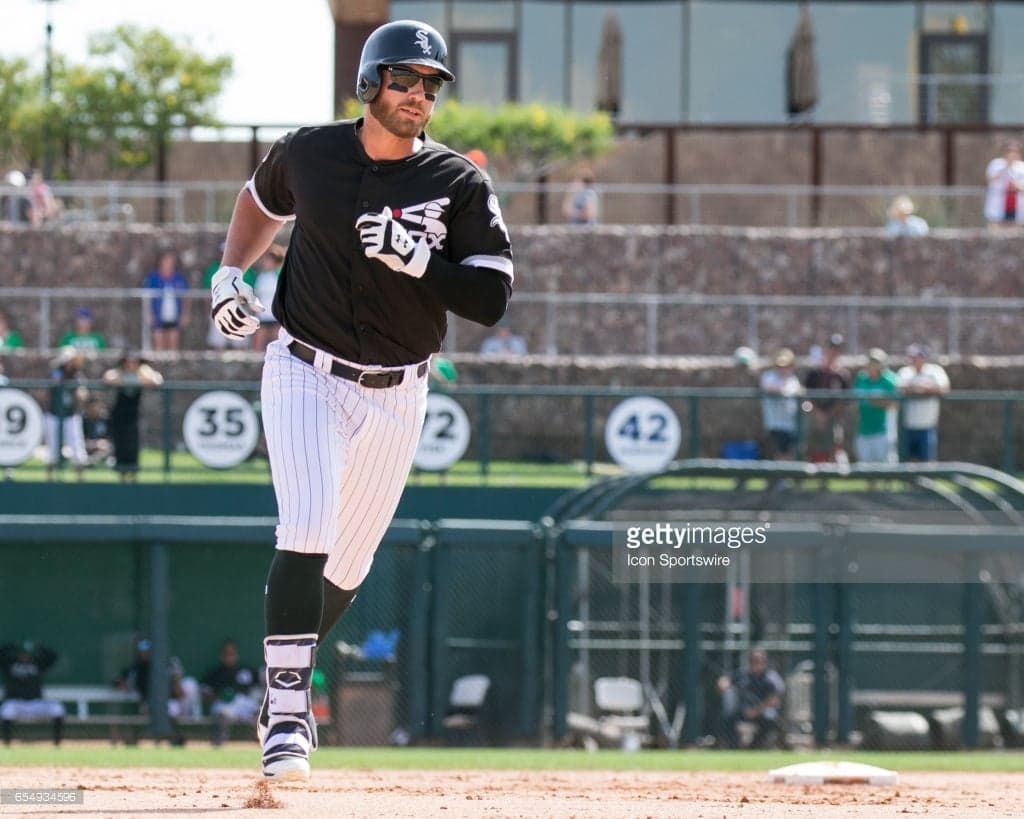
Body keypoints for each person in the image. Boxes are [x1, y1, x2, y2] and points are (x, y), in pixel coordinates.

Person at [208, 19, 512, 782]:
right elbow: (256, 204)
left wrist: (421, 262)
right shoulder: (309, 151)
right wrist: (228, 273)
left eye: (431, 84)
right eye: (404, 79)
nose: (418, 95)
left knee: (348, 564)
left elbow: (492, 297)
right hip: (304, 364)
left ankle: (283, 673)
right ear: (369, 83)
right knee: (306, 522)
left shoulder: (457, 182)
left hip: (399, 389)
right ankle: (288, 712)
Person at [114, 639, 199, 746]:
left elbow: (179, 692)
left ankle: (176, 734)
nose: (145, 653)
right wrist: (124, 683)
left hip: (174, 702)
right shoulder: (136, 669)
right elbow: (118, 682)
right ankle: (171, 738)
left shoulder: (169, 662)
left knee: (189, 684)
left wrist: (174, 680)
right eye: (142, 651)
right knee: (163, 711)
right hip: (150, 705)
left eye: (148, 650)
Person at [103, 353, 164, 481]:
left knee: (133, 445)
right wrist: (131, 380)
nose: (131, 365)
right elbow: (108, 378)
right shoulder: (118, 372)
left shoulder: (143, 372)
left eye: (134, 363)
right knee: (120, 445)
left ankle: (134, 474)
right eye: (128, 362)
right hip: (119, 416)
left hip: (133, 416)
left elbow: (157, 381)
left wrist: (139, 376)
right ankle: (122, 475)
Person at [716, 648, 786, 749]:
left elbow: (774, 699)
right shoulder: (742, 674)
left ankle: (755, 746)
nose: (757, 664)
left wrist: (756, 711)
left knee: (770, 720)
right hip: (744, 711)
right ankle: (735, 746)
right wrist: (722, 682)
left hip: (763, 711)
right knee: (727, 720)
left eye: (760, 661)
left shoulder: (772, 678)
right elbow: (727, 680)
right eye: (753, 661)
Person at [0, 640, 65, 746]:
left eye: (27, 654)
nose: (25, 656)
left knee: (57, 708)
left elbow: (53, 657)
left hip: (36, 703)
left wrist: (40, 647)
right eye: (22, 653)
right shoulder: (9, 664)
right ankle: (7, 743)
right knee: (6, 709)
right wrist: (12, 647)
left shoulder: (37, 664)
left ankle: (57, 743)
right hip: (16, 703)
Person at [200, 639, 261, 747]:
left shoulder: (246, 669)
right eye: (226, 654)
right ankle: (218, 744)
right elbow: (205, 694)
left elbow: (260, 686)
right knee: (222, 715)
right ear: (221, 655)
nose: (229, 657)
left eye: (232, 653)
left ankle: (262, 743)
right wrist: (218, 696)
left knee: (260, 712)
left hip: (243, 703)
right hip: (224, 703)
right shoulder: (214, 673)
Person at [802, 333, 851, 464]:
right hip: (814, 417)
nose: (833, 352)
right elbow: (805, 396)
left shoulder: (842, 375)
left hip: (833, 418)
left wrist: (827, 415)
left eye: (836, 350)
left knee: (834, 446)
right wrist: (816, 414)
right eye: (831, 349)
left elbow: (844, 400)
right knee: (810, 447)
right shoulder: (814, 373)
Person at [897, 344, 950, 462]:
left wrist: (924, 389)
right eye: (912, 357)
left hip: (927, 424)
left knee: (927, 461)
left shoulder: (934, 371)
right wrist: (916, 387)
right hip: (908, 425)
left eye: (917, 357)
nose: (914, 360)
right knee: (909, 461)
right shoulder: (905, 372)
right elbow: (899, 386)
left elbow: (944, 387)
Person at [44, 346, 90, 480]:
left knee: (77, 449)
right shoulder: (55, 373)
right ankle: (50, 480)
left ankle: (80, 480)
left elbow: (83, 396)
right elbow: (44, 393)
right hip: (54, 414)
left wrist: (78, 390)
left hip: (71, 415)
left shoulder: (77, 375)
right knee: (52, 451)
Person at [203, 244, 256, 350]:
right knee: (218, 339)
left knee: (239, 340)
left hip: (241, 308)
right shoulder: (214, 269)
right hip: (217, 307)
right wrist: (208, 308)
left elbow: (250, 289)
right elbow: (207, 289)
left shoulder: (246, 269)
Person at [854, 348, 899, 464]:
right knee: (864, 466)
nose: (873, 366)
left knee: (885, 465)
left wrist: (874, 401)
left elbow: (895, 404)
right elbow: (856, 400)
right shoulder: (861, 379)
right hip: (864, 430)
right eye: (871, 362)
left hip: (883, 431)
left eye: (876, 362)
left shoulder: (889, 380)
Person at [759, 348, 802, 460]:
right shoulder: (769, 377)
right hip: (774, 423)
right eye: (780, 366)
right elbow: (770, 388)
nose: (783, 369)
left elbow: (798, 392)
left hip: (790, 424)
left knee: (789, 452)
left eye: (786, 366)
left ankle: (784, 476)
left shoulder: (793, 380)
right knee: (777, 452)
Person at [143, 250, 190, 352]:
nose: (168, 264)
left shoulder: (179, 278)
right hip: (158, 312)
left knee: (173, 337)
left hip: (173, 312)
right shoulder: (153, 277)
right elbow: (147, 297)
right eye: (166, 261)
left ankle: (172, 364)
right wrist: (148, 313)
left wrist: (185, 313)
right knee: (158, 337)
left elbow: (185, 297)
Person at [251, 245, 285, 353]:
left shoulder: (279, 275)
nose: (264, 262)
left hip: (276, 315)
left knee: (278, 342)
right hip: (262, 314)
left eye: (267, 259)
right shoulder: (261, 276)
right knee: (258, 343)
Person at [984, 141, 1024, 228]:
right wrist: (1005, 168)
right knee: (996, 233)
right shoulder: (996, 164)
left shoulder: (1022, 167)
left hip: (1016, 206)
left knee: (1014, 233)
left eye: (1015, 152)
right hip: (998, 205)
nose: (1012, 155)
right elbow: (989, 179)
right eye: (1010, 152)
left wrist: (1016, 185)